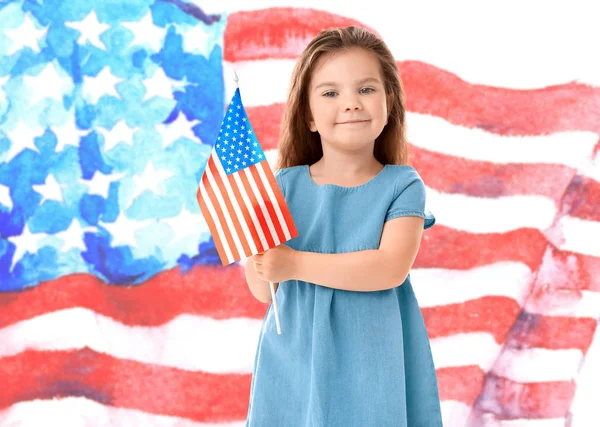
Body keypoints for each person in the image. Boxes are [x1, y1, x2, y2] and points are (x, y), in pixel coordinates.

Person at [244, 25, 443, 427]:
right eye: (331, 93)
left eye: (366, 89)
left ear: (389, 103)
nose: (351, 103)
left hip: (373, 363)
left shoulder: (402, 185)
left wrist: (295, 264)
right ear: (309, 116)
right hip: (293, 362)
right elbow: (263, 291)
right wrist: (259, 243)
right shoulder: (282, 186)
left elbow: (389, 268)